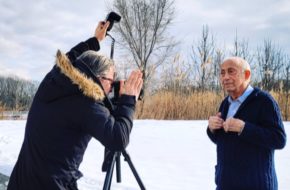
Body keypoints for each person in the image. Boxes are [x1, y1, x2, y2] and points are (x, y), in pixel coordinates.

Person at [7, 21, 143, 190]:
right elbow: (117, 139)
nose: (110, 88)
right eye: (110, 80)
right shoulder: (87, 105)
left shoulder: (51, 83)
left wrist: (94, 41)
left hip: (20, 182)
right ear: (98, 78)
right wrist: (128, 100)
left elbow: (69, 60)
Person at [207, 57, 286, 190]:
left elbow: (278, 140)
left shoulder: (264, 101)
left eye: (231, 71)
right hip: (226, 184)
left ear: (247, 74)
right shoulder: (226, 103)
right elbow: (224, 141)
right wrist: (212, 129)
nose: (225, 77)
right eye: (222, 72)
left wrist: (244, 128)